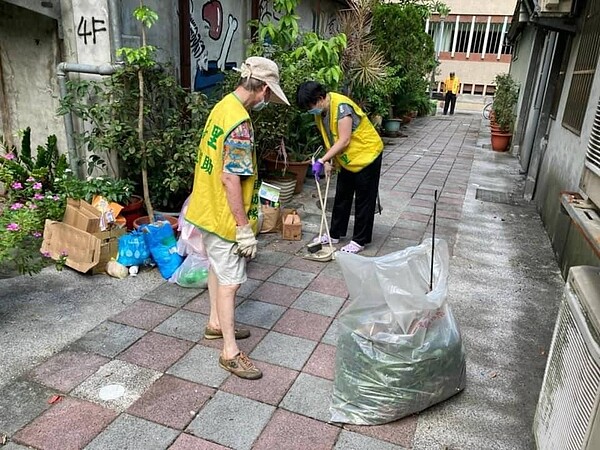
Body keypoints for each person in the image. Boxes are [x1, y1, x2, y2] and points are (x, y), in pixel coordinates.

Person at [185, 56, 289, 379]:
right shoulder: (240, 124)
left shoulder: (222, 107)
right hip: (224, 217)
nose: (268, 100)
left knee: (217, 270)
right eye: (269, 94)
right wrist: (244, 228)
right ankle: (230, 352)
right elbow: (231, 179)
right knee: (231, 282)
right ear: (264, 90)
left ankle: (216, 323)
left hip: (205, 209)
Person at [296, 81, 383, 254]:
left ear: (320, 98)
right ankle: (334, 234)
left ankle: (360, 240)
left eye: (310, 105)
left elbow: (344, 140)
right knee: (342, 196)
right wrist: (329, 162)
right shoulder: (321, 112)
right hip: (348, 160)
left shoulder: (342, 107)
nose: (310, 110)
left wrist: (322, 160)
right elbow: (330, 137)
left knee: (364, 199)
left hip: (367, 155)